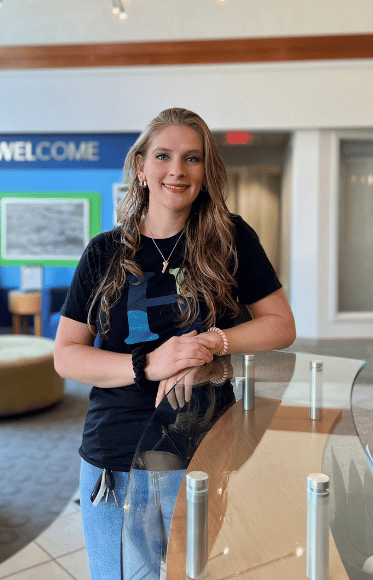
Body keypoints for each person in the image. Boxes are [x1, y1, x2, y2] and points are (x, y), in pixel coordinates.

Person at [53, 107, 295, 580]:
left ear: (206, 172)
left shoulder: (231, 238)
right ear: (141, 167)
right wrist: (150, 364)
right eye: (163, 156)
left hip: (204, 446)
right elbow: (66, 354)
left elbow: (280, 324)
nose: (177, 170)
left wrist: (204, 345)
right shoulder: (104, 252)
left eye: (192, 158)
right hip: (117, 453)